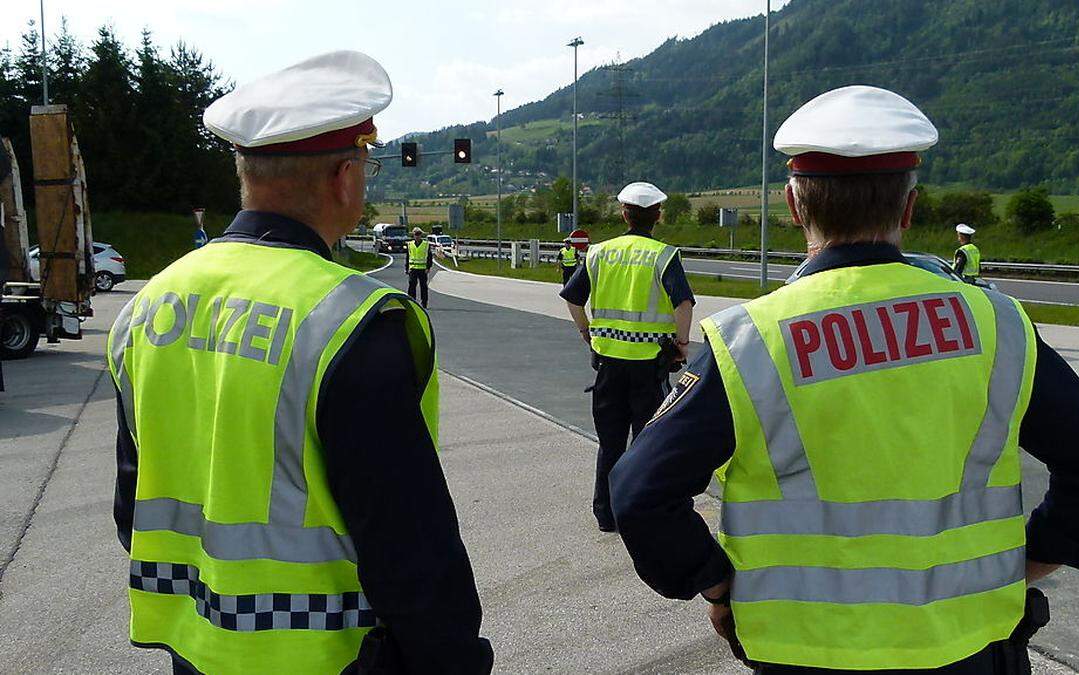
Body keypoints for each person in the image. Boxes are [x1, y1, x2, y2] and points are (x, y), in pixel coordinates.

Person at [609, 86, 1079, 674]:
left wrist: (714, 584)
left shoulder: (747, 340)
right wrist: (1027, 563)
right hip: (969, 645)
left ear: (794, 206)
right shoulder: (999, 325)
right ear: (909, 209)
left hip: (803, 651)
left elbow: (640, 492)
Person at [106, 51, 492, 674]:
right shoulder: (351, 320)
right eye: (364, 165)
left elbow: (134, 504)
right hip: (328, 656)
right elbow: (408, 544)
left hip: (198, 643)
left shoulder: (149, 303)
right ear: (344, 177)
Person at [560, 181, 695, 533]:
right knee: (648, 441)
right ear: (658, 216)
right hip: (650, 366)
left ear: (623, 213)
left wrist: (587, 334)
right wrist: (681, 344)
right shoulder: (663, 256)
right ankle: (641, 511)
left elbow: (573, 299)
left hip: (607, 365)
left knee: (610, 442)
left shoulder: (599, 253)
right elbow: (683, 303)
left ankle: (606, 513)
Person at [406, 226, 432, 308]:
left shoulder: (426, 245)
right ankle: (412, 302)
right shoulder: (410, 245)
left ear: (421, 235)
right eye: (416, 234)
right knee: (411, 286)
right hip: (413, 269)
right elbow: (408, 257)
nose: (417, 236)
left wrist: (428, 267)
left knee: (423, 286)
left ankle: (424, 303)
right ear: (413, 235)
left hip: (423, 269)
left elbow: (429, 257)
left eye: (419, 234)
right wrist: (407, 268)